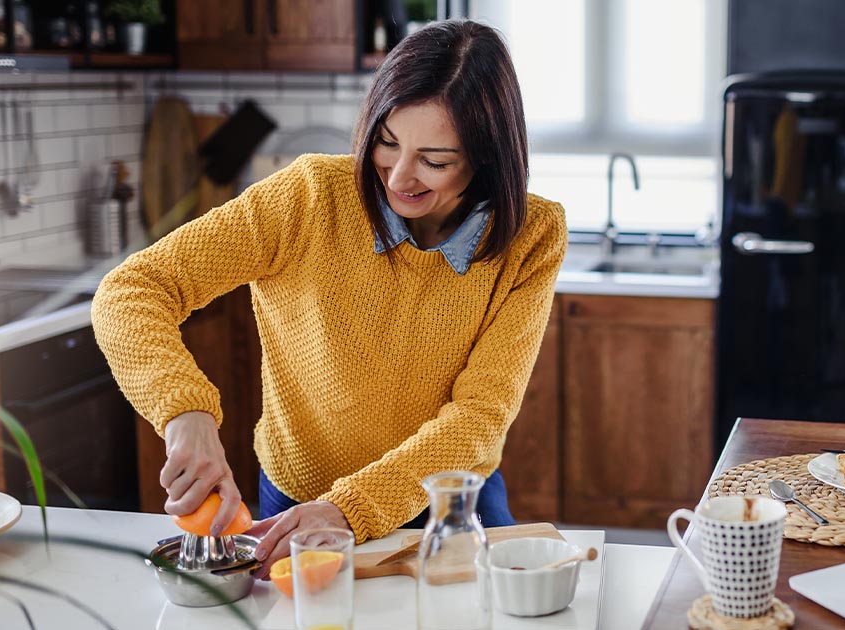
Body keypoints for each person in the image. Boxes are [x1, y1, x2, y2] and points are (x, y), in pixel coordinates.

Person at [91, 19, 566, 578]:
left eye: (435, 161)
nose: (398, 176)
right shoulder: (308, 196)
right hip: (297, 505)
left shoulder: (532, 234)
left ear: (487, 157)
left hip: (452, 505)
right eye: (386, 142)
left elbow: (481, 415)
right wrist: (184, 412)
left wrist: (353, 508)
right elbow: (130, 289)